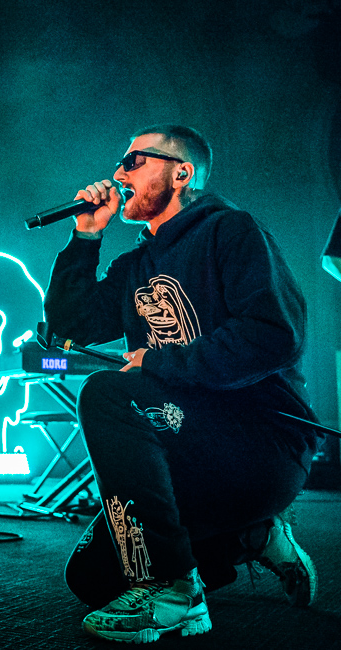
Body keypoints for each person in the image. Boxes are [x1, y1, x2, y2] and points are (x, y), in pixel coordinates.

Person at [43, 124, 321, 644]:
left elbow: (272, 336)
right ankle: (252, 536)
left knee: (106, 393)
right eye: (120, 163)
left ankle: (174, 592)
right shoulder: (135, 265)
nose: (118, 173)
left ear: (181, 173)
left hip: (259, 441)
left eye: (133, 162)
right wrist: (86, 237)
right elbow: (69, 324)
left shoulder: (231, 231)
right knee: (91, 579)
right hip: (181, 444)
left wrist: (156, 362)